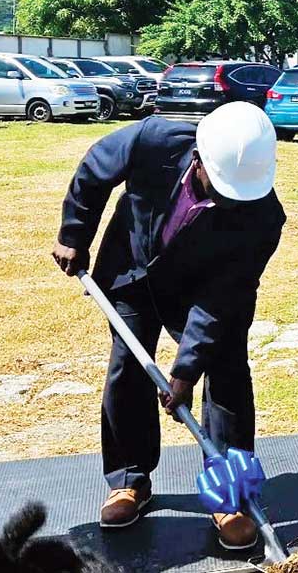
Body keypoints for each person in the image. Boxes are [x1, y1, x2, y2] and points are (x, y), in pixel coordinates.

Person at [51, 101, 284, 551]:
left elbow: (220, 301)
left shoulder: (262, 215)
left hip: (206, 290)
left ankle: (228, 494)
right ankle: (129, 479)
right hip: (133, 269)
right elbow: (94, 171)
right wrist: (73, 235)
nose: (228, 200)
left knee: (228, 371)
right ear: (198, 161)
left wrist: (184, 372)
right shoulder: (152, 140)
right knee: (128, 365)